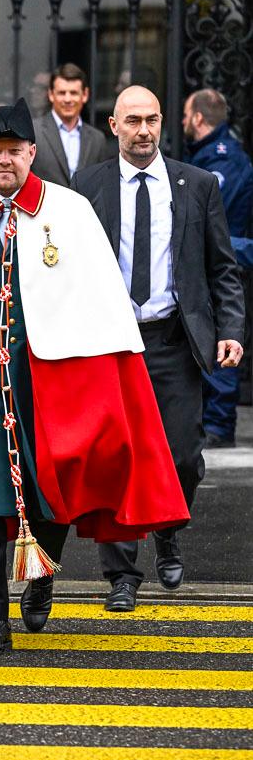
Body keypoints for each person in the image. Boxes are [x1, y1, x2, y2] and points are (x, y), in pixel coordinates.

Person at [0, 98, 189, 655]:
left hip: (50, 375)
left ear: (31, 153)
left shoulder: (70, 211)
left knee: (54, 485)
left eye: (15, 152)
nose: (6, 161)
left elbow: (101, 299)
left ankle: (40, 571)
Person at [71, 86, 245, 611]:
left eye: (152, 120)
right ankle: (122, 575)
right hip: (112, 343)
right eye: (133, 121)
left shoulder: (197, 183)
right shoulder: (88, 185)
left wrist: (231, 329)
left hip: (173, 339)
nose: (143, 130)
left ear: (162, 122)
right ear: (114, 125)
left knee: (184, 457)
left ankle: (167, 530)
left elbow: (222, 266)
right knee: (116, 459)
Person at [183, 88, 253, 447]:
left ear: (198, 118)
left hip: (224, 262)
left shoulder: (222, 161)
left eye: (185, 115)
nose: (182, 122)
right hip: (218, 260)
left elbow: (212, 221)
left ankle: (220, 426)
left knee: (220, 341)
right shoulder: (211, 155)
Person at [31, 63, 111, 187]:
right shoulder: (33, 132)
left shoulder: (97, 139)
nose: (68, 99)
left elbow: (102, 184)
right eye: (62, 93)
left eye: (73, 93)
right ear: (51, 95)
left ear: (85, 95)